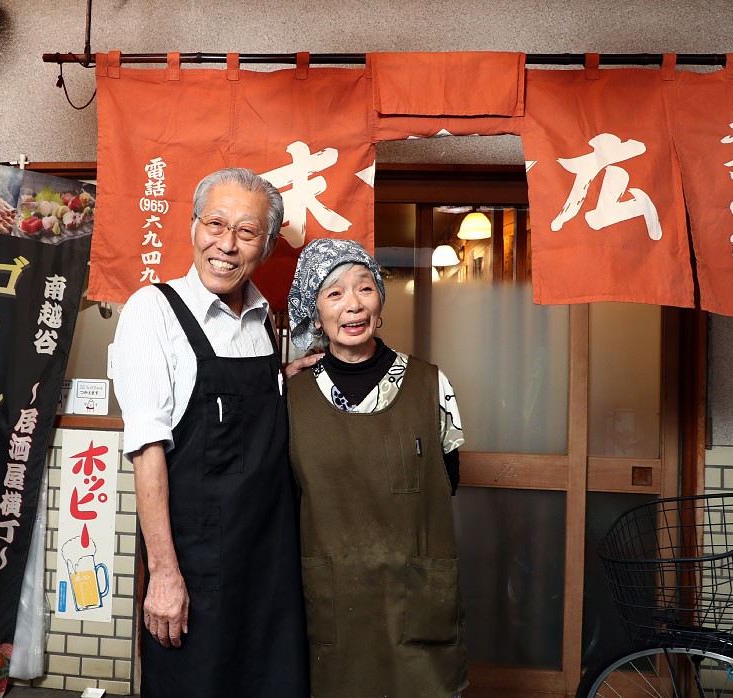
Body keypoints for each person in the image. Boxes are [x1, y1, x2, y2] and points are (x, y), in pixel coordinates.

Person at [112, 168, 309, 697]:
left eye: (246, 232)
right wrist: (165, 576)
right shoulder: (154, 311)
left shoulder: (265, 319)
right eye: (215, 224)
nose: (226, 244)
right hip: (196, 567)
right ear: (193, 226)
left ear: (266, 246)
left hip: (269, 563)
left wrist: (288, 380)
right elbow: (148, 450)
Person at [286, 238, 469, 698]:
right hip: (334, 596)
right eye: (334, 294)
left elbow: (450, 477)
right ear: (316, 313)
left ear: (380, 302)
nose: (353, 305)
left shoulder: (430, 383)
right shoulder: (291, 395)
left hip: (414, 592)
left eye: (364, 289)